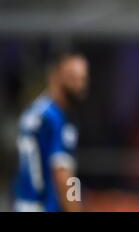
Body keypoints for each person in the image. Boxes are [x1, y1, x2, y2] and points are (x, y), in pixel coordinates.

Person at [14, 53, 89, 212]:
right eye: (72, 77)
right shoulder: (55, 119)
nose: (79, 85)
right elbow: (64, 176)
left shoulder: (36, 110)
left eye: (83, 78)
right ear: (56, 77)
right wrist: (75, 207)